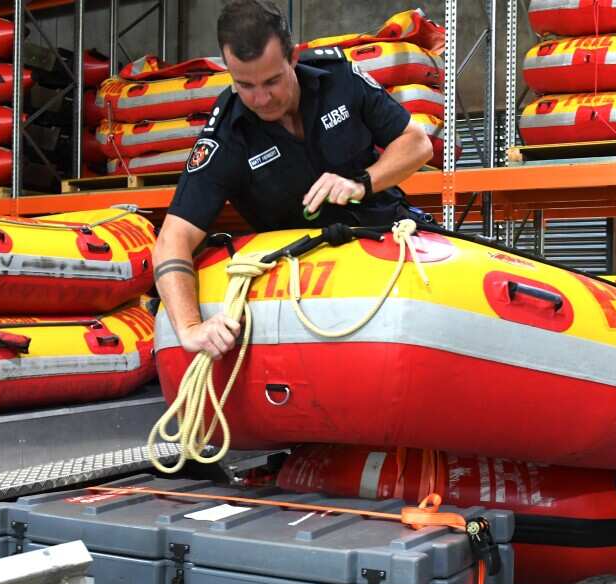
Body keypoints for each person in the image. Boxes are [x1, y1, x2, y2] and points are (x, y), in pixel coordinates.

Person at [152, 0, 434, 359]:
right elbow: (172, 239)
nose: (261, 98)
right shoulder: (227, 136)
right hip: (308, 280)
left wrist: (361, 183)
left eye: (272, 81)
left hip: (388, 239)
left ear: (293, 57)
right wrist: (191, 328)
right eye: (244, 85)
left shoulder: (339, 77)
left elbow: (418, 143)